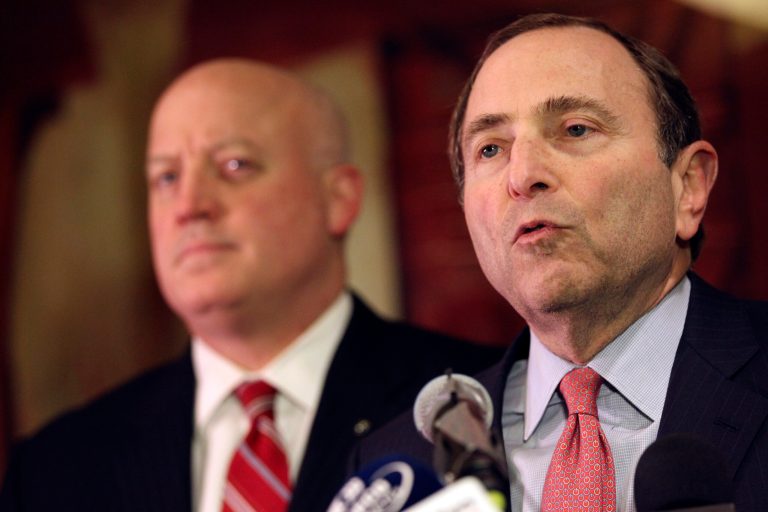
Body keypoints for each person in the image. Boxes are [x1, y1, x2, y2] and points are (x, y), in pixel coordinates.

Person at [0, 59, 504, 512]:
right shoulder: (55, 468)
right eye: (166, 178)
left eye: (234, 166)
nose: (190, 205)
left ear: (339, 198)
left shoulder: (480, 405)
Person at [356, 13, 768, 512]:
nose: (524, 175)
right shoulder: (401, 466)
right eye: (490, 148)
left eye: (575, 129)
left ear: (688, 187)